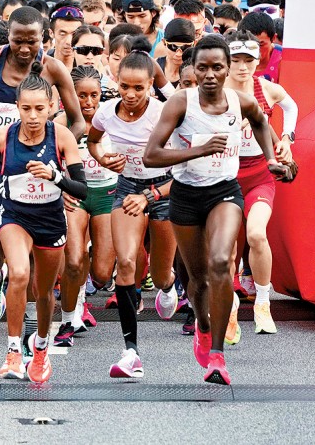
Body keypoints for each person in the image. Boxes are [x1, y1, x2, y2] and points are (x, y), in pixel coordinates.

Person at [144, 35, 285, 385]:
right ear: (193, 69)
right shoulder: (180, 103)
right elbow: (151, 155)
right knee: (198, 279)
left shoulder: (241, 101)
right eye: (202, 67)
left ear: (226, 70)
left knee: (222, 261)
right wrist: (199, 150)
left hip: (224, 192)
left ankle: (218, 357)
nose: (209, 75)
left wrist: (271, 159)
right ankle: (203, 327)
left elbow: (260, 122)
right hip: (186, 196)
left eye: (217, 68)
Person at [0, 6, 83, 359]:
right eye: (17, 41)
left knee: (29, 266)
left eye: (32, 41)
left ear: (45, 39)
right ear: (6, 37)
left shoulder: (52, 68)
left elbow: (78, 120)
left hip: (36, 178)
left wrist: (63, 159)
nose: (24, 49)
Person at [86, 40, 178, 379]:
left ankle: (168, 287)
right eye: (124, 86)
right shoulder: (106, 112)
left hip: (165, 190)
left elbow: (183, 170)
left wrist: (153, 195)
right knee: (125, 262)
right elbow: (94, 140)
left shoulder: (164, 114)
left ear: (151, 86)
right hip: (126, 189)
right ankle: (130, 352)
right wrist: (101, 158)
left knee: (164, 270)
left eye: (139, 87)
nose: (130, 93)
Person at [223, 31, 297, 337]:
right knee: (227, 249)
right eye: (236, 60)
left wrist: (288, 141)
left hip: (259, 174)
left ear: (257, 60)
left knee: (255, 233)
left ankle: (263, 303)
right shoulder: (215, 91)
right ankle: (228, 310)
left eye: (248, 60)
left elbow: (291, 107)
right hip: (225, 176)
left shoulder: (267, 89)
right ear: (225, 61)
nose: (242, 67)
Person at [53, 65, 114, 346]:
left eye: (94, 95)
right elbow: (45, 162)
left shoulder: (113, 119)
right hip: (74, 197)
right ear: (70, 97)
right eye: (81, 96)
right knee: (74, 259)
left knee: (101, 274)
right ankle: (70, 314)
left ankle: (81, 291)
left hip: (106, 195)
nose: (88, 103)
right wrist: (58, 188)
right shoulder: (59, 124)